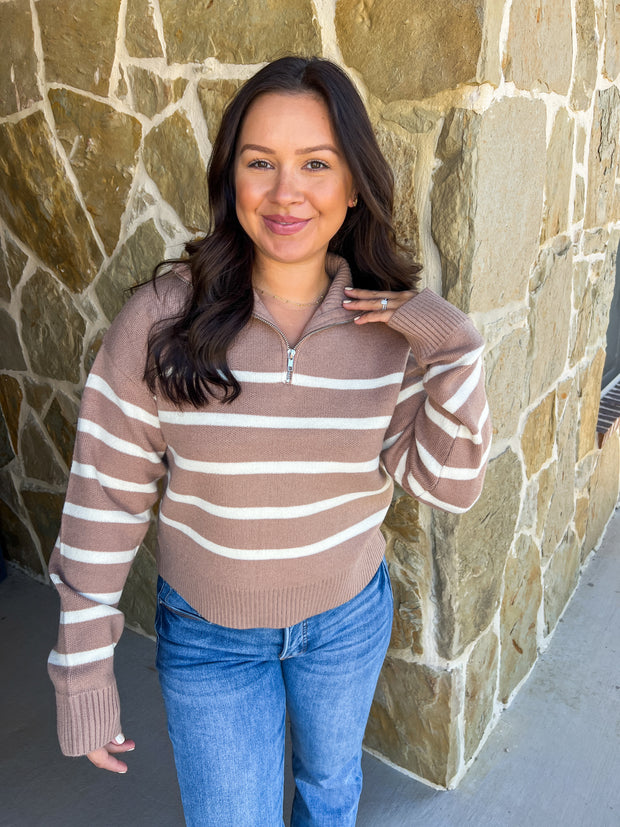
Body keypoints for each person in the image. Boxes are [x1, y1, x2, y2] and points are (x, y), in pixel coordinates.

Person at [47, 56, 491, 826]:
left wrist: (453, 346)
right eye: (261, 163)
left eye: (316, 163)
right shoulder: (161, 321)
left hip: (347, 621)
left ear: (352, 186)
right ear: (231, 179)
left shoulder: (390, 333)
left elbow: (447, 485)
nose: (287, 192)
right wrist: (82, 670)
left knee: (330, 791)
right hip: (209, 638)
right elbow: (104, 497)